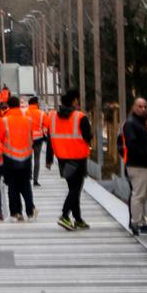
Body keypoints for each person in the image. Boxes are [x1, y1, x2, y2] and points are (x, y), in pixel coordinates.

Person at [51, 90, 95, 230]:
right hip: (78, 158)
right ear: (75, 101)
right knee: (76, 189)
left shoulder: (53, 116)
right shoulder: (80, 117)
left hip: (62, 158)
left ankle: (78, 219)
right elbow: (88, 137)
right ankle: (64, 215)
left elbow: (50, 135)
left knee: (72, 188)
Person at [119, 98, 147, 235]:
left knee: (142, 196)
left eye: (145, 106)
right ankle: (137, 223)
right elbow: (133, 144)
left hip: (146, 165)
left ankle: (141, 222)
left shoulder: (141, 123)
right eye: (140, 106)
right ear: (134, 107)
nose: (143, 109)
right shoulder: (131, 124)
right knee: (138, 195)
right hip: (138, 165)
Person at [0, 94, 36, 221]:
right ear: (19, 106)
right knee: (26, 185)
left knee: (12, 186)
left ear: (8, 106)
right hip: (26, 157)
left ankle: (15, 213)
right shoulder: (28, 120)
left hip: (10, 158)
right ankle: (30, 212)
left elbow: (0, 138)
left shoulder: (5, 121)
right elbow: (32, 137)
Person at [25, 94, 48, 186]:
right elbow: (46, 126)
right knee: (37, 159)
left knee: (28, 158)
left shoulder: (25, 113)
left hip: (27, 139)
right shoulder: (41, 113)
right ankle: (35, 179)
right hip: (38, 139)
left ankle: (28, 175)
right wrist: (43, 133)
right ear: (36, 103)